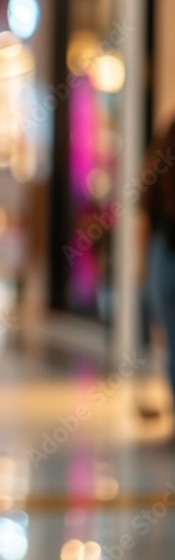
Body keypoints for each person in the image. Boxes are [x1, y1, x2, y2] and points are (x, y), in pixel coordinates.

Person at [137, 119, 175, 420]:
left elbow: (145, 223)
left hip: (162, 257)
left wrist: (141, 269)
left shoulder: (156, 171)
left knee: (171, 342)